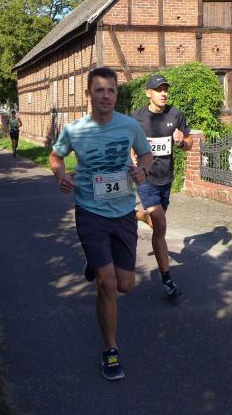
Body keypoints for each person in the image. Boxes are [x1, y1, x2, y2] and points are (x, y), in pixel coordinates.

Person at [49, 67, 153, 381]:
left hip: (123, 213)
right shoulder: (75, 129)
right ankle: (110, 349)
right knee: (108, 284)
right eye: (99, 90)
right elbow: (55, 157)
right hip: (89, 211)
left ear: (116, 94)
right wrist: (60, 174)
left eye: (111, 90)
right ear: (89, 95)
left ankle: (95, 264)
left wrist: (143, 171)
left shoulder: (129, 125)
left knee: (125, 285)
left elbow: (146, 156)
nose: (105, 96)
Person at [132, 74, 192, 298]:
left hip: (166, 178)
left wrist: (181, 141)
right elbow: (127, 142)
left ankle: (136, 215)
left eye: (166, 89)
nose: (164, 93)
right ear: (148, 93)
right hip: (145, 178)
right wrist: (131, 156)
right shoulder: (136, 117)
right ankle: (167, 279)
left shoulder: (176, 115)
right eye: (159, 90)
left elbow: (189, 143)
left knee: (158, 226)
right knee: (160, 222)